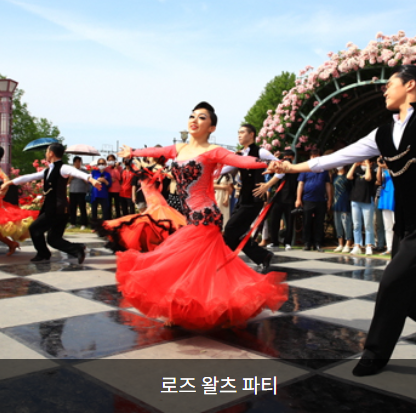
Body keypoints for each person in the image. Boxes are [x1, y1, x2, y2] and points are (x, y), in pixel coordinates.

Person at [269, 64, 416, 376]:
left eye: (390, 84)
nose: (384, 91)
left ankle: (375, 353)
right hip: (407, 226)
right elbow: (337, 157)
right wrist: (293, 168)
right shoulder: (381, 134)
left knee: (394, 283)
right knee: (414, 298)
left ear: (410, 85)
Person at [115, 102, 287, 330]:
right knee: (199, 267)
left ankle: (179, 311)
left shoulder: (213, 151)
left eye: (202, 117)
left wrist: (271, 163)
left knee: (179, 262)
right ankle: (209, 306)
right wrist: (133, 152)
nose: (194, 120)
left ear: (212, 127)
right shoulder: (179, 149)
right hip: (192, 216)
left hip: (204, 216)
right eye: (192, 116)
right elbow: (155, 152)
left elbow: (242, 161)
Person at [4, 143, 102, 263]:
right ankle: (77, 249)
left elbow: (75, 172)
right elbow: (29, 177)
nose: (45, 153)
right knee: (53, 239)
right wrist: (9, 183)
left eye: (47, 151)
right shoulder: (47, 171)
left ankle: (43, 254)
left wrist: (90, 178)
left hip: (56, 209)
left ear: (51, 153)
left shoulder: (62, 168)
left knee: (35, 228)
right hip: (55, 209)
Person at [218, 123, 282, 271]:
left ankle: (227, 260)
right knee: (233, 232)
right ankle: (262, 256)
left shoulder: (261, 152)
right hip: (242, 199)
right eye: (238, 133)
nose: (239, 135)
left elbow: (281, 169)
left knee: (230, 229)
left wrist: (268, 185)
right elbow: (223, 170)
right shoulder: (239, 155)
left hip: (254, 200)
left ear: (251, 134)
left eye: (242, 132)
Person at [96, 160, 186, 253]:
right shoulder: (144, 167)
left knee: (156, 224)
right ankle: (158, 245)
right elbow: (135, 166)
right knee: (148, 224)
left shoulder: (157, 167)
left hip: (156, 201)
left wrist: (167, 173)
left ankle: (164, 245)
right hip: (151, 201)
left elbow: (170, 175)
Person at [347, 159, 381, 254]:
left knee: (368, 225)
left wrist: (367, 165)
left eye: (365, 162)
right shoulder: (357, 171)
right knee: (356, 224)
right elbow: (348, 176)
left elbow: (368, 178)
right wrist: (354, 164)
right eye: (361, 162)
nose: (362, 163)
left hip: (367, 201)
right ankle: (357, 244)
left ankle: (368, 245)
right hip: (355, 201)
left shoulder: (372, 173)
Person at [295, 162, 329, 252]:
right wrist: (298, 199)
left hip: (321, 200)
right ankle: (307, 243)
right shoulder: (305, 170)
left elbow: (328, 185)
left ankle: (317, 243)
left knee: (319, 222)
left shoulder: (324, 171)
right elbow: (300, 184)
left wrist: (330, 199)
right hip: (307, 199)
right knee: (306, 222)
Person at [328, 151, 353, 252]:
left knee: (346, 223)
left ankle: (348, 243)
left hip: (345, 202)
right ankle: (340, 243)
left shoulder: (348, 176)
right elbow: (330, 187)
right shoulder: (333, 176)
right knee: (337, 223)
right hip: (336, 202)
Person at [376, 157, 396, 256]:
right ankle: (389, 247)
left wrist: (387, 166)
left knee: (396, 225)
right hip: (385, 199)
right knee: (387, 226)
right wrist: (379, 167)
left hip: (395, 199)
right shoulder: (383, 170)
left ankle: (398, 247)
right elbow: (378, 181)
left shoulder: (395, 168)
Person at [67, 156, 92, 229]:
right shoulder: (70, 171)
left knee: (82, 208)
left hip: (81, 191)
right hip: (72, 191)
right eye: (76, 162)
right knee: (72, 208)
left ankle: (83, 224)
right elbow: (67, 182)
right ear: (74, 163)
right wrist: (71, 177)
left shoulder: (84, 171)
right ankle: (72, 223)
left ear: (81, 163)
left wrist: (82, 177)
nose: (77, 163)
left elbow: (88, 182)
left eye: (79, 162)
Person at [90, 158, 115, 226]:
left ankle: (105, 226)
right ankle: (94, 226)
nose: (101, 165)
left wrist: (104, 181)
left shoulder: (107, 174)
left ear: (105, 164)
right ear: (97, 165)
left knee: (105, 211)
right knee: (94, 211)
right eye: (99, 164)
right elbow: (89, 181)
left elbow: (109, 184)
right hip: (95, 194)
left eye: (102, 163)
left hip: (104, 194)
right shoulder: (94, 172)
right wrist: (96, 180)